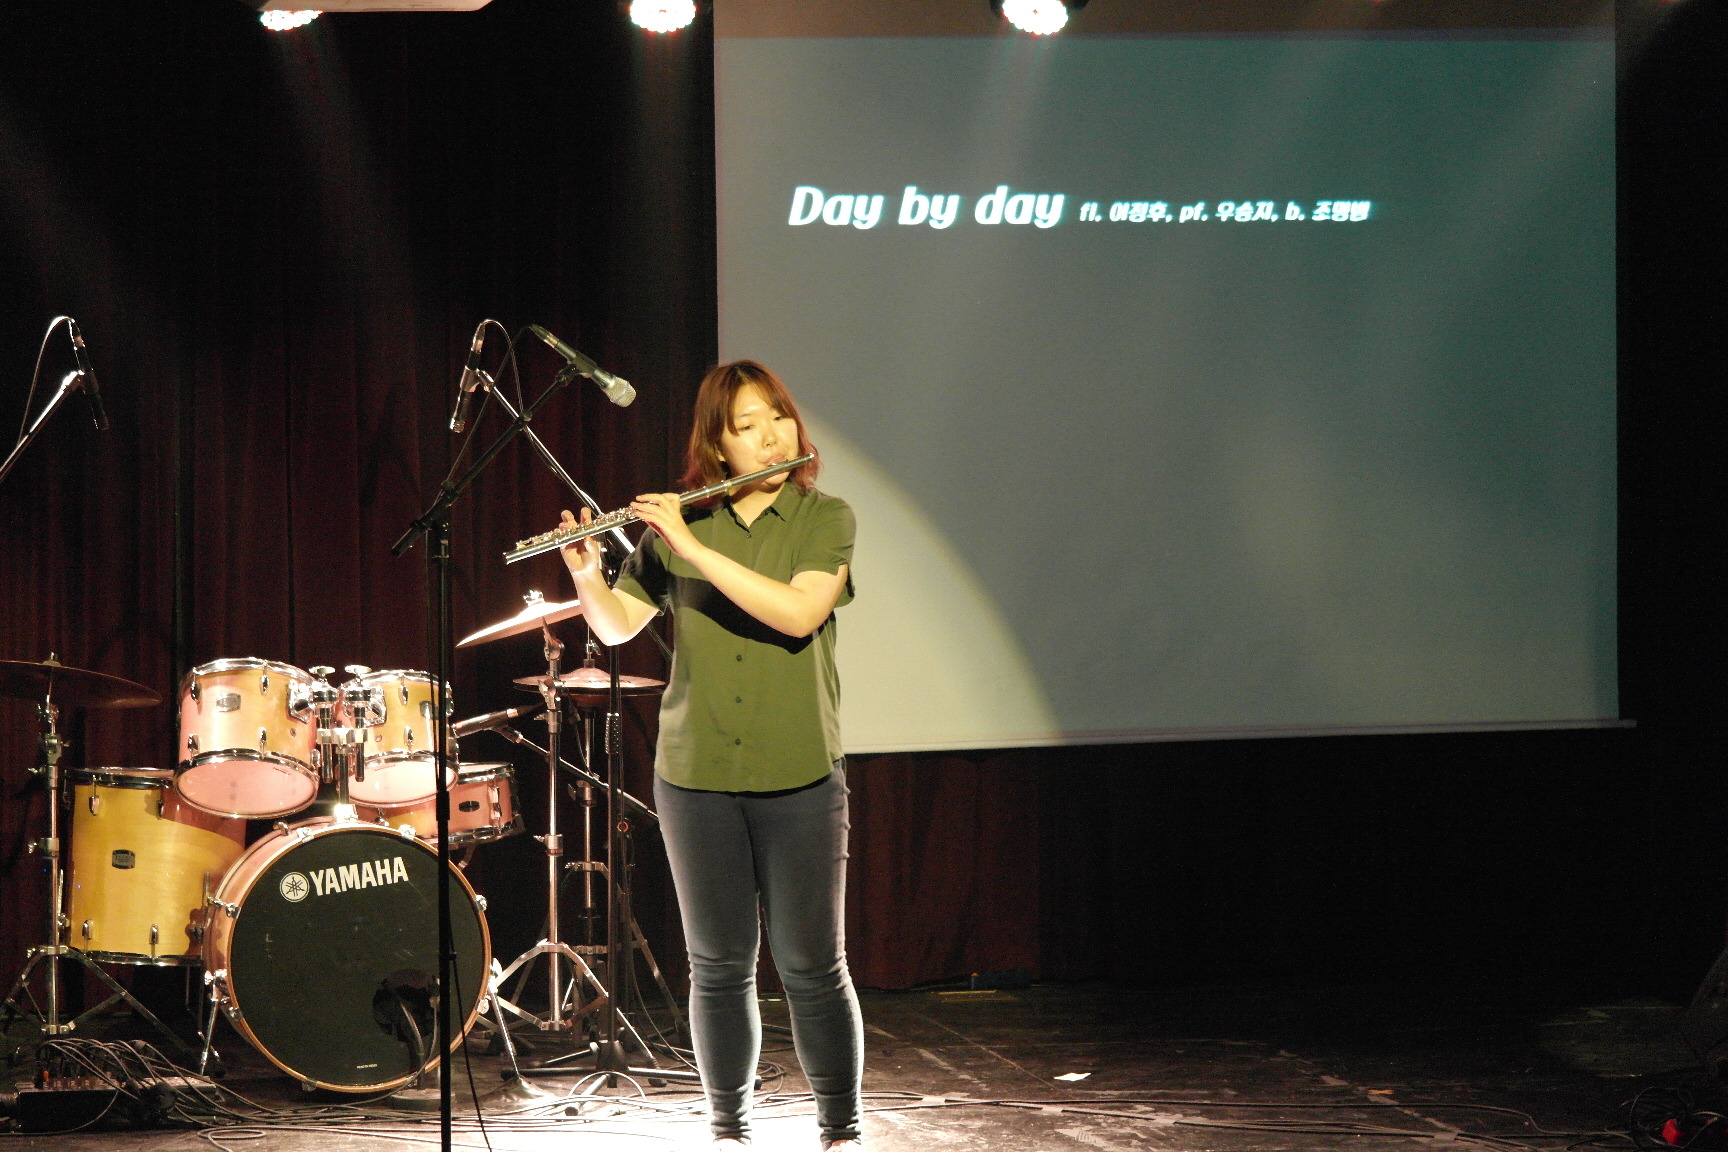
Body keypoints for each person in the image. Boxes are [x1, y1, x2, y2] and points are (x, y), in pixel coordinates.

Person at [560, 360, 863, 1150]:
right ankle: (728, 1128)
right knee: (719, 967)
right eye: (747, 426)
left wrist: (689, 545)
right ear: (718, 447)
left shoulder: (824, 517)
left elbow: (796, 613)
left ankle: (841, 1127)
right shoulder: (678, 530)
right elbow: (618, 625)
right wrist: (589, 578)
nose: (771, 436)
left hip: (799, 773)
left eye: (778, 417)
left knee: (811, 966)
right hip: (694, 777)